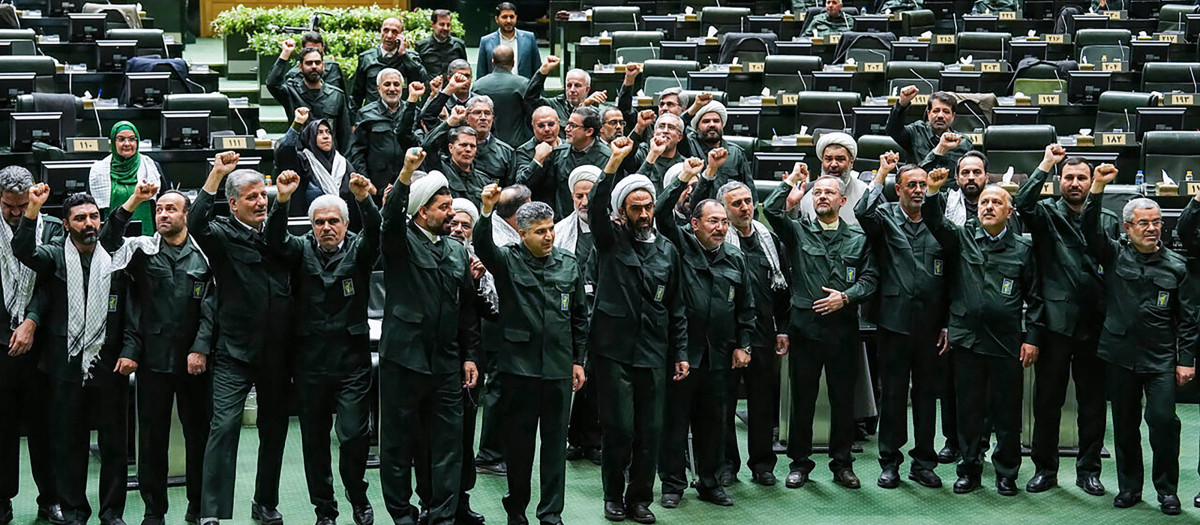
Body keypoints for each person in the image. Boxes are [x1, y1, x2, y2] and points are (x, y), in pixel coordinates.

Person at [14, 185, 143, 525]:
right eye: (80, 218)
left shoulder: (116, 256)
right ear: (66, 224)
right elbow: (23, 250)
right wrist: (33, 208)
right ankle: (73, 511)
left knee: (114, 445)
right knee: (69, 444)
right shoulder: (55, 255)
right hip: (65, 365)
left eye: (94, 217)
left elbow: (132, 311)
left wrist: (131, 349)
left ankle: (111, 513)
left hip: (110, 364)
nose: (89, 224)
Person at [266, 171, 379, 525]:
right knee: (314, 441)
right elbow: (274, 239)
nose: (326, 228)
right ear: (311, 226)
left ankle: (357, 494)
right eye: (319, 222)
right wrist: (283, 200)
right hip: (310, 362)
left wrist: (364, 200)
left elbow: (378, 233)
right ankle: (325, 509)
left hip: (352, 362)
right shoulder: (300, 249)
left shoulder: (360, 250)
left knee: (354, 435)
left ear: (345, 224)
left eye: (333, 221)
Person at [923, 168, 1042, 497]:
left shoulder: (1023, 249)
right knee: (969, 410)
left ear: (1009, 211)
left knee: (1007, 411)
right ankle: (969, 469)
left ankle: (1006, 472)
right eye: (984, 202)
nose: (988, 207)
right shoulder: (962, 239)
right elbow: (935, 221)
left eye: (996, 202)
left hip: (1006, 342)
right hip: (968, 340)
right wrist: (932, 191)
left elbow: (1036, 299)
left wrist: (1032, 338)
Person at [376, 147, 480, 525]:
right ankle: (402, 515)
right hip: (404, 361)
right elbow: (390, 218)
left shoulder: (456, 250)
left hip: (446, 364)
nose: (452, 213)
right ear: (421, 211)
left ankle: (442, 515)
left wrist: (470, 355)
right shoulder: (400, 242)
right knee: (398, 444)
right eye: (443, 207)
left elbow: (467, 309)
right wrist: (406, 172)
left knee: (448, 445)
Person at [474, 185, 588, 525]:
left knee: (554, 447)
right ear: (522, 234)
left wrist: (578, 360)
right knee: (519, 446)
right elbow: (482, 245)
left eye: (550, 229)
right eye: (540, 231)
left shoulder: (568, 264)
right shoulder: (507, 260)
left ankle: (551, 513)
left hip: (558, 369)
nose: (549, 236)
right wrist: (485, 211)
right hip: (519, 369)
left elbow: (579, 317)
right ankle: (517, 509)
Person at [190, 152, 294, 525]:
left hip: (277, 352)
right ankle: (211, 511)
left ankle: (264, 502)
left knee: (274, 429)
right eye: (251, 197)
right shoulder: (221, 234)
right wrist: (216, 175)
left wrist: (283, 200)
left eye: (263, 195)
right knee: (224, 426)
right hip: (233, 350)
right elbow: (195, 222)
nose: (260, 202)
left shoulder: (279, 234)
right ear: (233, 204)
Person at [1085, 166, 1195, 516]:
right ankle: (1130, 488)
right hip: (1120, 354)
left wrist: (1186, 359)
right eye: (1143, 223)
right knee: (1125, 425)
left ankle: (1167, 491)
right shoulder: (1113, 254)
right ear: (1127, 227)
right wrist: (1097, 188)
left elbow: (1189, 319)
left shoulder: (1177, 266)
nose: (1151, 228)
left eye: (1157, 222)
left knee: (1163, 422)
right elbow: (1089, 229)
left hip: (1160, 358)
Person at [590, 137, 689, 524]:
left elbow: (676, 307)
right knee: (619, 429)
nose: (645, 213)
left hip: (653, 352)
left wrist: (680, 353)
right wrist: (613, 164)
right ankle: (613, 496)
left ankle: (639, 499)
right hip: (614, 352)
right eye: (636, 208)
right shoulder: (609, 241)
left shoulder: (668, 251)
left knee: (650, 431)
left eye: (648, 206)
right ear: (622, 212)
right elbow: (596, 206)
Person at [102, 188, 214, 525]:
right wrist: (133, 202)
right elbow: (108, 243)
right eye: (160, 209)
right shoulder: (143, 251)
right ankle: (154, 511)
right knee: (152, 440)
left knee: (200, 437)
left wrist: (201, 347)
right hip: (153, 360)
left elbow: (212, 307)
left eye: (171, 209)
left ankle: (199, 506)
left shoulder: (204, 256)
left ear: (186, 215)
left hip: (195, 363)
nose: (163, 214)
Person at [764, 165, 878, 491]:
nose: (822, 197)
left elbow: (871, 278)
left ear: (843, 200)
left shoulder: (859, 238)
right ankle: (799, 464)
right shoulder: (798, 231)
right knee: (803, 399)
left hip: (843, 330)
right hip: (806, 329)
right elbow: (770, 210)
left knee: (843, 401)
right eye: (818, 193)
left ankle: (842, 464)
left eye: (829, 192)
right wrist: (790, 184)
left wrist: (846, 296)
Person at [1016, 145, 1119, 497]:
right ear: (1060, 182)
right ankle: (1045, 469)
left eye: (1081, 178)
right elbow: (1022, 203)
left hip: (1096, 323)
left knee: (1093, 403)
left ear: (1091, 182)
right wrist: (1046, 163)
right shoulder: (1046, 213)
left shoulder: (1107, 218)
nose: (1075, 183)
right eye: (1069, 178)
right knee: (1048, 401)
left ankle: (1089, 471)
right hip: (1055, 323)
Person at [655, 151, 755, 508]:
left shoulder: (735, 258)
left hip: (720, 356)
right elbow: (662, 213)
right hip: (683, 353)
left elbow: (746, 307)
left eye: (724, 222)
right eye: (713, 221)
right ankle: (672, 484)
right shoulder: (679, 245)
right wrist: (687, 177)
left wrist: (744, 344)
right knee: (675, 422)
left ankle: (710, 482)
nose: (720, 228)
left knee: (714, 422)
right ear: (694, 224)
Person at [854, 154, 948, 490]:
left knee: (926, 396)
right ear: (899, 189)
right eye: (912, 185)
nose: (919, 190)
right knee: (893, 395)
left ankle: (923, 462)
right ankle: (890, 462)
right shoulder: (885, 216)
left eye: (923, 185)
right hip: (893, 323)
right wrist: (881, 173)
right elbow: (862, 212)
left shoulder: (938, 220)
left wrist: (947, 324)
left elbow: (952, 276)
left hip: (930, 325)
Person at [0, 166, 64, 525]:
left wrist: (31, 320)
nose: (15, 212)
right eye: (8, 206)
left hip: (41, 343)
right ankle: (2, 499)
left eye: (21, 206)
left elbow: (52, 281)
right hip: (0, 343)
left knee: (46, 425)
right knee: (2, 426)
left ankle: (50, 498)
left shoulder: (51, 228)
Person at [556, 166, 603, 464]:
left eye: (590, 195)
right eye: (579, 196)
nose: (584, 202)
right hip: (572, 314)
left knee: (597, 380)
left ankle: (594, 439)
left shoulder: (611, 227)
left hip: (604, 314)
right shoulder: (560, 231)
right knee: (574, 378)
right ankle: (573, 438)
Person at [516, 106, 613, 218]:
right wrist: (537, 161)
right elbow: (525, 187)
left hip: (595, 219)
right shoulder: (559, 153)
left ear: (589, 131)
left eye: (573, 126)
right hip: (563, 220)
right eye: (541, 125)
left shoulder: (608, 158)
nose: (566, 129)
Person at [348, 75, 425, 203]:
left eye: (396, 84)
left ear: (402, 87)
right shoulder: (366, 114)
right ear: (378, 88)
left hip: (409, 184)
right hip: (377, 186)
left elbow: (420, 144)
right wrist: (366, 181)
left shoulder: (413, 111)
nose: (392, 89)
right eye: (387, 84)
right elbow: (357, 151)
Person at [266, 42, 353, 153]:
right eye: (309, 63)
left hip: (329, 156)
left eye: (317, 63)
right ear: (300, 67)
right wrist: (285, 54)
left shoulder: (336, 95)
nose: (314, 66)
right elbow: (272, 84)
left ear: (323, 66)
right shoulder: (291, 92)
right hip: (300, 155)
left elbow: (345, 135)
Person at [423, 94, 516, 188]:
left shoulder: (506, 153)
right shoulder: (451, 141)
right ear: (467, 117)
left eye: (487, 113)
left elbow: (510, 188)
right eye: (477, 112)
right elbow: (428, 145)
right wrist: (451, 121)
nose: (483, 117)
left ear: (492, 118)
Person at [274, 107, 353, 216]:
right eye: (319, 133)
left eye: (328, 132)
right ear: (310, 137)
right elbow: (284, 152)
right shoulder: (303, 161)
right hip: (308, 221)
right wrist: (298, 123)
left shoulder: (342, 163)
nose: (326, 136)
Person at [88, 121, 163, 236]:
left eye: (132, 139)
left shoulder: (151, 167)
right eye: (121, 139)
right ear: (113, 142)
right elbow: (89, 207)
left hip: (147, 235)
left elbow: (164, 200)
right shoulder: (98, 171)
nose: (127, 143)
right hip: (111, 236)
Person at [351, 17, 427, 110]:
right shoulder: (367, 58)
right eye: (386, 30)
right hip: (373, 114)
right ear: (381, 31)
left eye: (394, 32)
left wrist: (404, 56)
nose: (389, 36)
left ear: (401, 35)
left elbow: (421, 79)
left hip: (402, 114)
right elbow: (356, 95)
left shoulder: (411, 57)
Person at [794, 132, 867, 225]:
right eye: (828, 159)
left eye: (840, 159)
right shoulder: (805, 192)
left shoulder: (865, 192)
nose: (833, 164)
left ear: (851, 162)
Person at [886, 90, 973, 168]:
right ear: (928, 114)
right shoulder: (916, 132)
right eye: (936, 111)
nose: (940, 116)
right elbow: (892, 129)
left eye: (946, 112)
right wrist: (902, 103)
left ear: (953, 116)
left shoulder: (964, 142)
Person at [471, 45, 530, 147]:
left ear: (493, 62)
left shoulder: (478, 85)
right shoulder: (523, 84)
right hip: (517, 145)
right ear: (513, 62)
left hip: (485, 145)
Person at [685, 101, 753, 188]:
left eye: (716, 121)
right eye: (706, 121)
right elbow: (679, 127)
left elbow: (749, 189)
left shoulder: (736, 154)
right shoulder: (689, 147)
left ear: (722, 125)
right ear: (697, 127)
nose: (712, 125)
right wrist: (694, 108)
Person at [423, 122, 490, 210]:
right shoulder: (440, 170)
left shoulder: (483, 180)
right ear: (451, 148)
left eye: (472, 146)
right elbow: (428, 146)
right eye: (463, 145)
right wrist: (448, 123)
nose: (468, 149)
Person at [524, 56, 596, 125]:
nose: (572, 90)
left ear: (587, 89)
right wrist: (542, 72)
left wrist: (583, 107)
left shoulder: (595, 113)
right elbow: (530, 99)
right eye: (569, 85)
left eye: (577, 85)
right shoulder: (554, 105)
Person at [477, 2, 540, 79]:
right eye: (504, 17)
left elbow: (537, 70)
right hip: (496, 86)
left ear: (516, 17)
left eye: (512, 17)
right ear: (497, 19)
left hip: (523, 86)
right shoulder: (486, 41)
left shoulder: (529, 38)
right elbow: (481, 74)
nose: (509, 21)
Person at [515, 107, 563, 206]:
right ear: (533, 127)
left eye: (551, 124)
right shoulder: (524, 151)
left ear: (558, 123)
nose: (547, 129)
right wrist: (537, 160)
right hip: (539, 208)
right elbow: (521, 186)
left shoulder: (569, 147)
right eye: (541, 126)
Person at [632, 114, 687, 191]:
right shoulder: (643, 153)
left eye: (671, 127)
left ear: (680, 137)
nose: (665, 131)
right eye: (661, 126)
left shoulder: (685, 166)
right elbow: (626, 160)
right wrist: (653, 154)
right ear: (654, 133)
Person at [415, 10, 467, 89]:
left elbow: (465, 69)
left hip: (454, 91)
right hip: (430, 92)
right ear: (432, 25)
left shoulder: (459, 45)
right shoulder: (421, 46)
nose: (445, 28)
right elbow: (418, 73)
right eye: (442, 24)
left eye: (448, 25)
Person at [418, 62, 474, 131]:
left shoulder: (479, 101)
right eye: (458, 76)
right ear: (449, 78)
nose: (464, 80)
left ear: (471, 77)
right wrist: (434, 95)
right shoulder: (441, 101)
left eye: (467, 76)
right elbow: (424, 119)